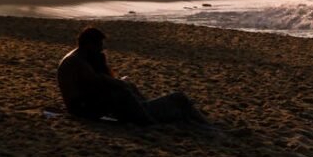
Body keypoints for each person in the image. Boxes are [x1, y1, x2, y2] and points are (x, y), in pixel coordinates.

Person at [57, 26, 207, 125]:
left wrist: (121, 83)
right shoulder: (76, 61)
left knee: (126, 83)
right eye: (99, 45)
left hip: (85, 105)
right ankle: (148, 118)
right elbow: (97, 80)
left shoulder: (80, 57)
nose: (101, 49)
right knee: (178, 98)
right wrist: (120, 84)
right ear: (89, 44)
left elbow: (96, 82)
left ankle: (145, 110)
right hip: (83, 108)